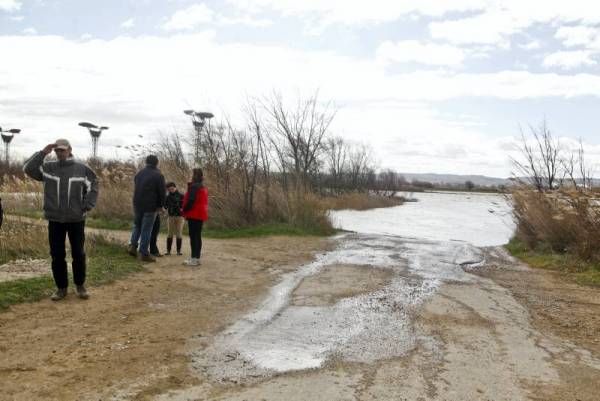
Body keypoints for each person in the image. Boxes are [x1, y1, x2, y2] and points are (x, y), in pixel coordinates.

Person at [23, 139, 98, 301]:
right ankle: (61, 288)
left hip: (76, 219)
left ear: (70, 149)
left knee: (78, 253)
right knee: (57, 255)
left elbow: (94, 185)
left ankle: (80, 286)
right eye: (57, 151)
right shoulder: (48, 168)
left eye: (62, 150)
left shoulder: (82, 168)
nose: (59, 153)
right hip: (55, 220)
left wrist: (87, 205)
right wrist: (43, 152)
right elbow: (28, 169)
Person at [128, 155, 166, 262]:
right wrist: (161, 206)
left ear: (146, 162)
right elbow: (162, 192)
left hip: (137, 204)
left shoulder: (139, 174)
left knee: (137, 225)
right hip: (150, 206)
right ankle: (143, 253)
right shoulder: (158, 175)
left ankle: (132, 246)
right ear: (157, 163)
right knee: (147, 229)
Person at [181, 168, 208, 266]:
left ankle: (193, 259)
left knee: (193, 236)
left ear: (194, 176)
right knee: (197, 236)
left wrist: (183, 210)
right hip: (200, 214)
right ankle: (196, 258)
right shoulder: (201, 186)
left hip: (194, 214)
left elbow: (191, 200)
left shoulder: (194, 186)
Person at [164, 182, 184, 255]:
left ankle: (178, 251)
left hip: (180, 217)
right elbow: (165, 206)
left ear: (175, 187)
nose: (171, 190)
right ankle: (168, 251)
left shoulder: (182, 196)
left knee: (179, 234)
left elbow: (184, 205)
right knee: (170, 234)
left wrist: (182, 209)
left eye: (172, 189)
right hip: (171, 216)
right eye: (169, 189)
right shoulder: (167, 197)